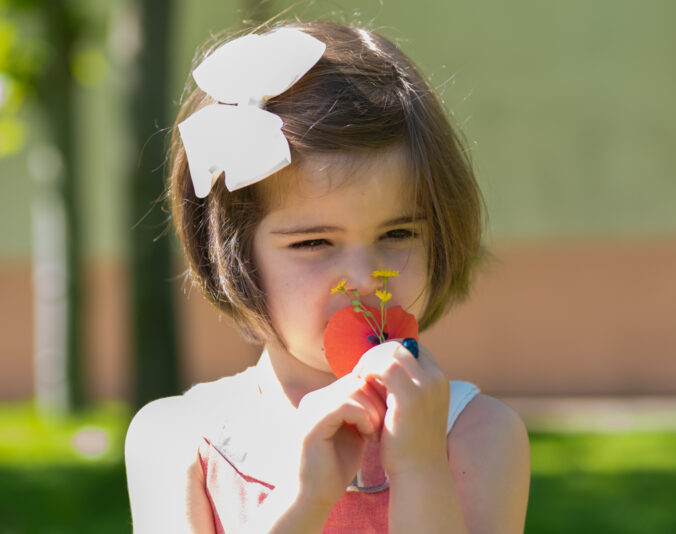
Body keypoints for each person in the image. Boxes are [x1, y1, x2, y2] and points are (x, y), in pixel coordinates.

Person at [124, 19, 530, 533]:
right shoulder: (178, 438)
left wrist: (421, 471)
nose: (364, 278)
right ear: (231, 254)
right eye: (314, 242)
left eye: (399, 233)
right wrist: (301, 501)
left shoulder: (478, 436)